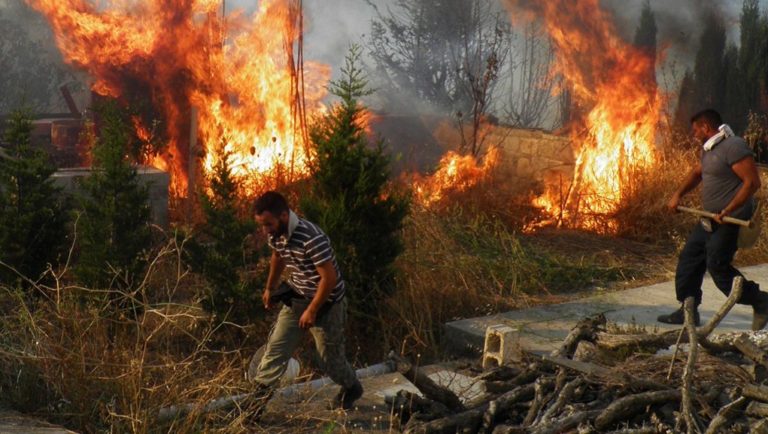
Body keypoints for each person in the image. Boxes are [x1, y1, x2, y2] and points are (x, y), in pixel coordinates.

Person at [249, 191, 363, 413]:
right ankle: (253, 409)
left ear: (283, 216)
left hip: (327, 303)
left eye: (268, 224)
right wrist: (269, 288)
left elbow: (328, 279)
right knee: (275, 352)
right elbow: (278, 257)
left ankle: (352, 387)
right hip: (298, 298)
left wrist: (312, 310)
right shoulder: (276, 234)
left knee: (330, 361)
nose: (266, 231)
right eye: (262, 225)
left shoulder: (312, 237)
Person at [658, 109, 768, 330]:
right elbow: (697, 173)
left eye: (695, 129)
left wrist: (729, 209)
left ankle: (761, 300)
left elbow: (752, 182)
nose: (693, 134)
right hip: (710, 219)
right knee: (690, 258)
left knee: (717, 266)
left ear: (706, 127)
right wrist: (678, 194)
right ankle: (687, 311)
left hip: (731, 220)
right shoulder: (710, 149)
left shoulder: (734, 147)